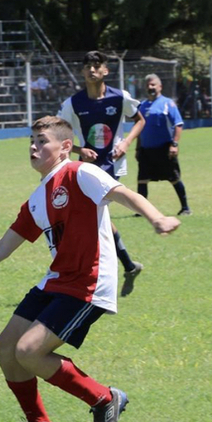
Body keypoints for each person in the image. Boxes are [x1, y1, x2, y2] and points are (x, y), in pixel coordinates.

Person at [0, 116, 180, 422]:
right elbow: (3, 246)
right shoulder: (38, 199)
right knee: (5, 348)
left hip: (88, 283)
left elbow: (123, 193)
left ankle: (105, 399)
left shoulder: (80, 172)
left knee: (29, 351)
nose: (33, 147)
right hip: (57, 281)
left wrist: (157, 218)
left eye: (42, 141)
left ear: (65, 147)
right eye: (31, 142)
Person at [57, 51, 146, 297]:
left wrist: (126, 142)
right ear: (82, 72)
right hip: (86, 168)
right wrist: (79, 149)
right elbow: (56, 134)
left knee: (93, 218)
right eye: (87, 66)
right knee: (97, 218)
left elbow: (140, 120)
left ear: (105, 70)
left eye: (97, 66)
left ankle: (90, 276)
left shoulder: (119, 97)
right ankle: (127, 265)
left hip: (111, 165)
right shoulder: (73, 103)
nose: (92, 70)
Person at [136, 74, 191, 216]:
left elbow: (178, 124)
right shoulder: (141, 106)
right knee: (142, 180)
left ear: (160, 87)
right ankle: (141, 211)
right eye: (148, 85)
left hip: (164, 149)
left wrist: (174, 144)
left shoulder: (168, 103)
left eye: (153, 84)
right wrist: (137, 148)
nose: (150, 87)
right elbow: (139, 128)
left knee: (174, 178)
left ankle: (185, 208)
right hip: (146, 150)